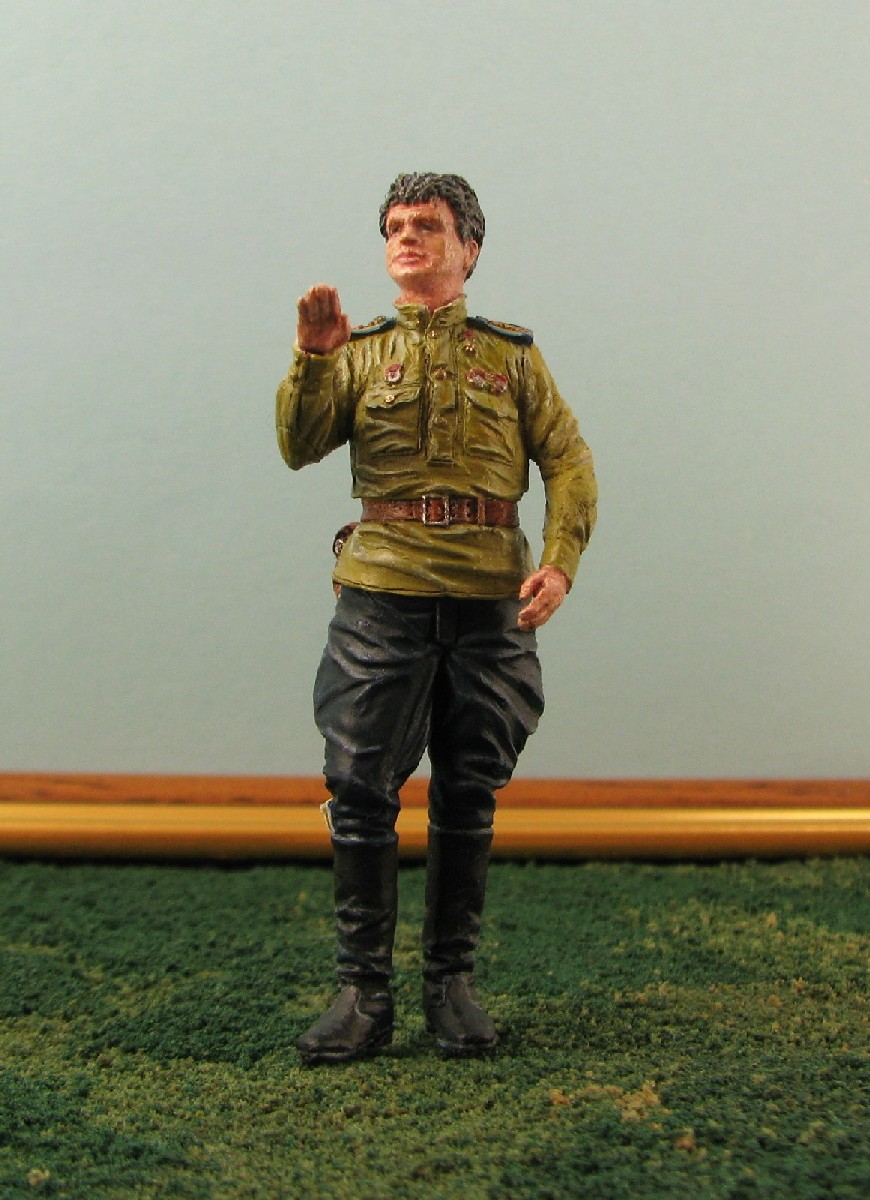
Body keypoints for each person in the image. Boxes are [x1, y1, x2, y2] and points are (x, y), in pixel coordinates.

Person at [276, 172, 596, 1063]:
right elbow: (299, 446)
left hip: (492, 601)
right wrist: (312, 359)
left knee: (470, 785)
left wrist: (560, 562)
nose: (406, 237)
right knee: (359, 785)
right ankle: (361, 993)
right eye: (394, 226)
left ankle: (450, 983)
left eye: (427, 224)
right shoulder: (356, 350)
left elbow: (569, 461)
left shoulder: (513, 356)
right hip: (382, 596)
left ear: (470, 247)